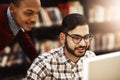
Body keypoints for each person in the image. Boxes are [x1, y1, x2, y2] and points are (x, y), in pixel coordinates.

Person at [26, 13, 96, 80]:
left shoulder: (91, 58)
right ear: (63, 38)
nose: (83, 44)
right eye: (76, 38)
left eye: (86, 37)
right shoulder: (43, 63)